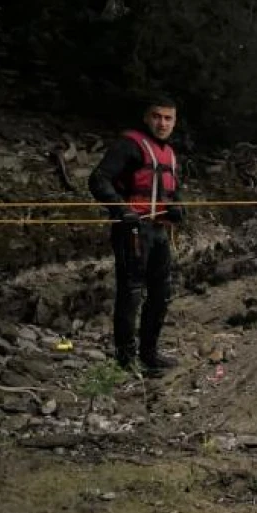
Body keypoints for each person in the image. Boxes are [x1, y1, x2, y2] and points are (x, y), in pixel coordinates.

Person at [88, 95, 184, 375]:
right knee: (131, 293)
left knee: (161, 293)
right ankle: (126, 360)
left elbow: (173, 191)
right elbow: (98, 179)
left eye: (168, 118)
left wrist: (178, 208)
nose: (162, 123)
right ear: (146, 117)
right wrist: (121, 209)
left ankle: (150, 354)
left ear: (174, 121)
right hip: (133, 228)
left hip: (159, 230)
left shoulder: (170, 153)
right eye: (157, 116)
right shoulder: (129, 145)